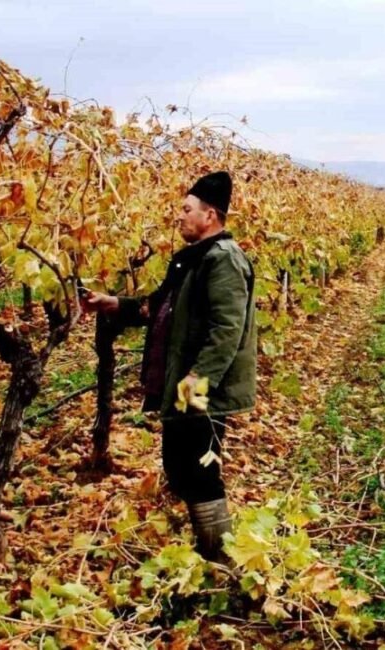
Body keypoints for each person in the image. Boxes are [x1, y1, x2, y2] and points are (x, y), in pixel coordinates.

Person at [85, 171, 256, 562]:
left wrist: (197, 382)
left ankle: (218, 556)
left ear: (209, 216)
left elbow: (227, 329)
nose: (178, 216)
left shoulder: (223, 261)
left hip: (200, 388)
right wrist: (111, 303)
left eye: (186, 209)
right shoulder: (194, 260)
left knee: (197, 467)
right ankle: (208, 545)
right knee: (179, 466)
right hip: (185, 383)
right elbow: (157, 307)